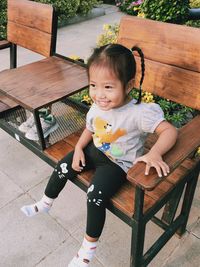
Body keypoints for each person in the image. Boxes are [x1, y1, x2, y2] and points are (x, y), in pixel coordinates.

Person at [21, 44, 178, 267]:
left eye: (108, 87)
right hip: (95, 150)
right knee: (63, 167)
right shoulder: (97, 106)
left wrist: (154, 153)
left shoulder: (139, 113)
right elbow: (90, 128)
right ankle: (45, 203)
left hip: (117, 164)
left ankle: (87, 250)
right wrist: (77, 149)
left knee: (95, 196)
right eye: (93, 85)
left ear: (129, 85)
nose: (99, 94)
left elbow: (169, 131)